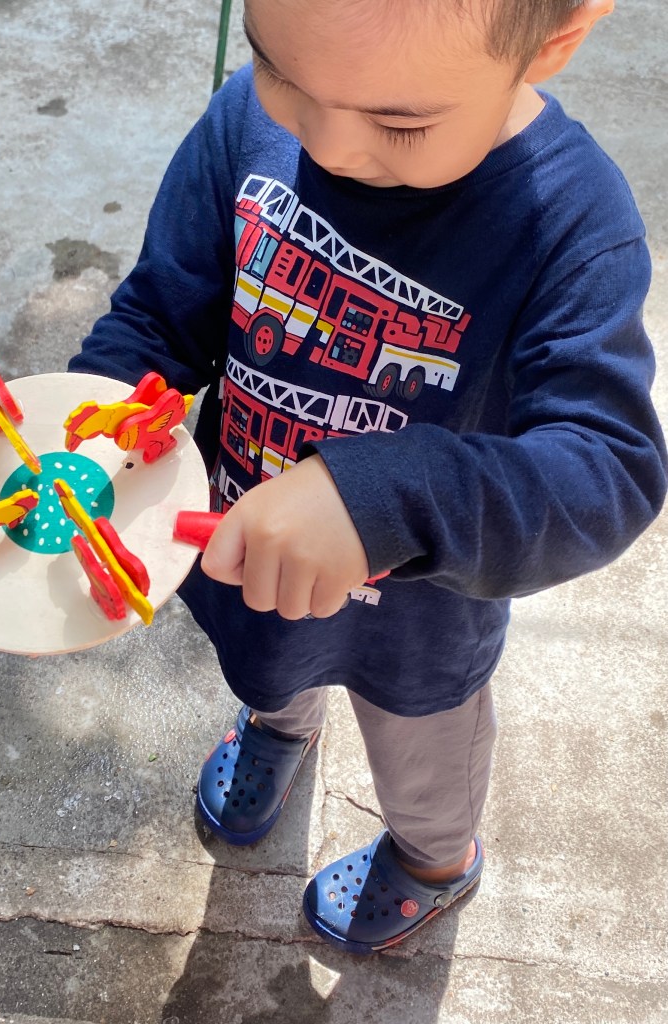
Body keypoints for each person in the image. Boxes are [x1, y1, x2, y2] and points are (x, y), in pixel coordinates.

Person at [69, 0, 667, 954]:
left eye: (399, 124)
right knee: (268, 662)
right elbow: (162, 311)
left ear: (550, 44)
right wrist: (86, 419)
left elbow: (608, 471)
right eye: (279, 70)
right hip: (243, 545)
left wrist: (387, 495)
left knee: (421, 761)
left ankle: (434, 860)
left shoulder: (571, 221)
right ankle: (279, 727)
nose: (325, 141)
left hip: (419, 619)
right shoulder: (245, 119)